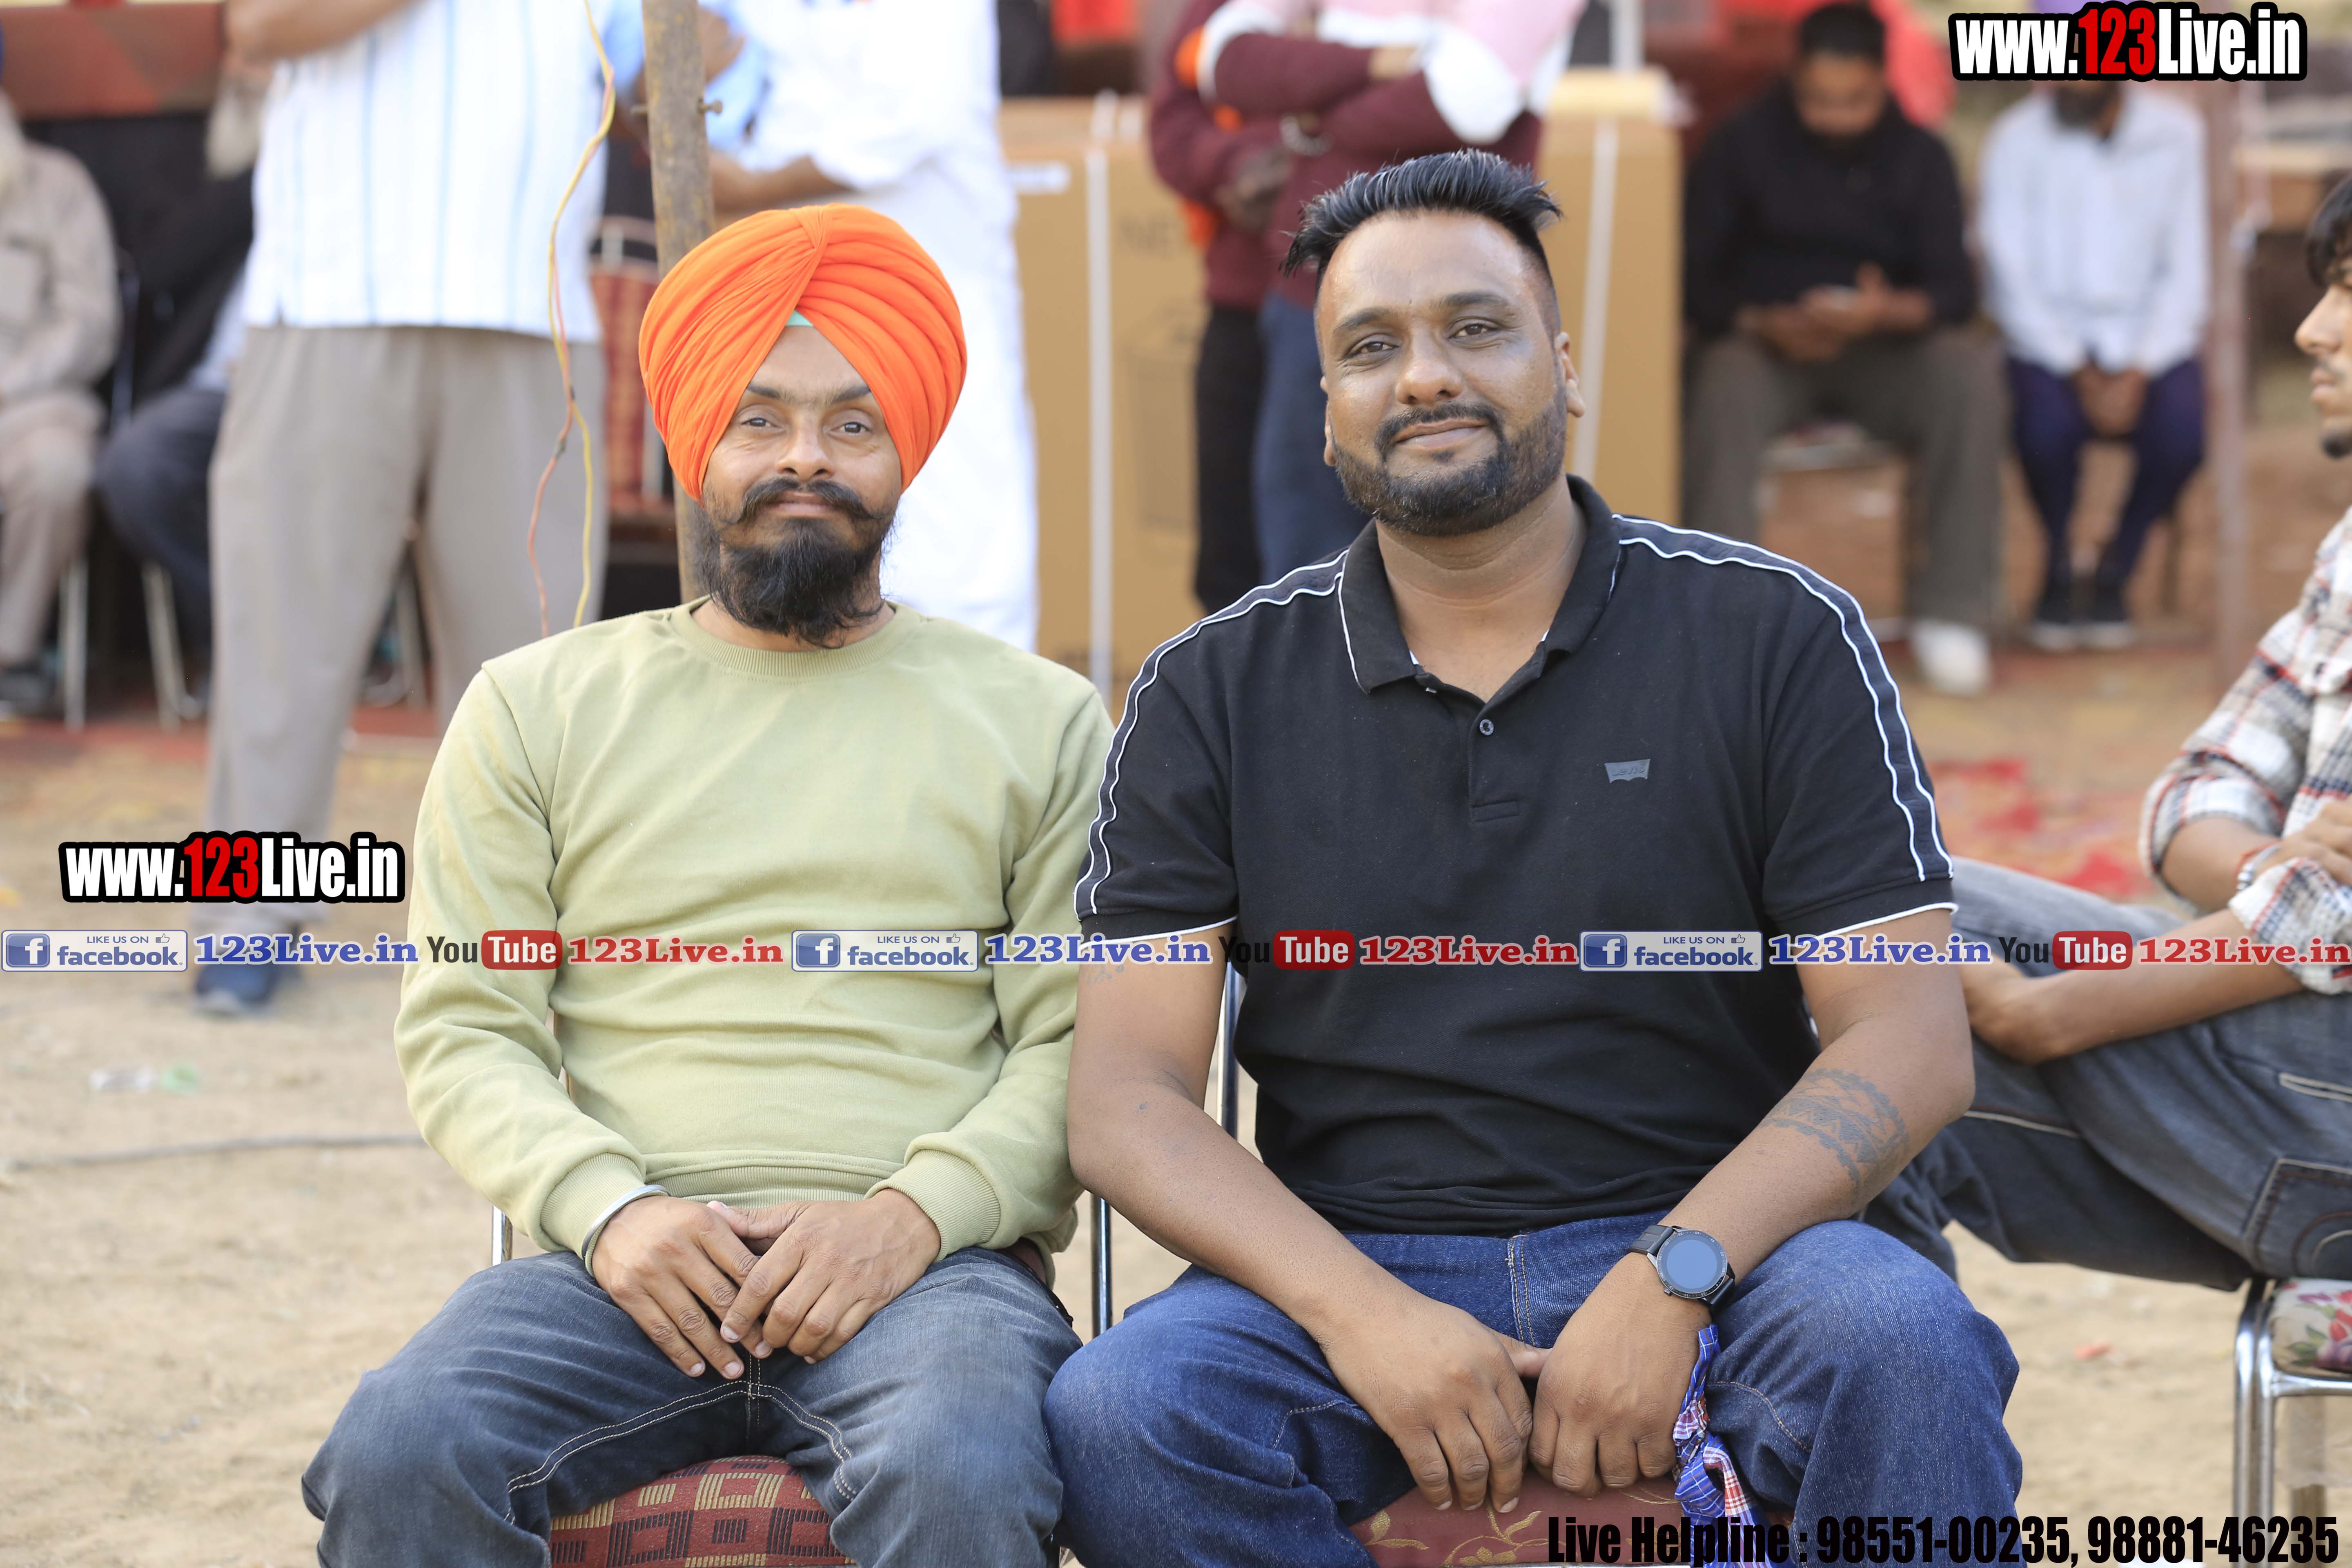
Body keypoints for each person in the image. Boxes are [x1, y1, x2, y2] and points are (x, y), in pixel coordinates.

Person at [1045, 151, 2019, 1564]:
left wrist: (1674, 1278)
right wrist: (1365, 1317)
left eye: (1477, 328)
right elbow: (1126, 1099)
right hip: (1350, 1260)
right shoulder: (1211, 688)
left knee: (1903, 1339)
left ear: (1565, 367)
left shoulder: (1774, 637)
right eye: (1369, 349)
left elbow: (1912, 1042)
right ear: (1327, 414)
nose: (1424, 376)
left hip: (1731, 1247)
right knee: (1125, 1416)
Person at [302, 206, 1111, 1566]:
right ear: (695, 446)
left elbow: (1080, 1050)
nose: (807, 457)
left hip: (929, 1278)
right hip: (621, 1271)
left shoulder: (1040, 720)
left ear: (908, 450)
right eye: (760, 418)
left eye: (853, 422)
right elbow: (466, 1028)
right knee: (399, 1447)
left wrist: (908, 1219)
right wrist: (612, 1211)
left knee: (959, 1466)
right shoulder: (536, 709)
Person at [1866, 175, 2352, 1291]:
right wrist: (2277, 875)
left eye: (2350, 293)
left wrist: (2054, 1013)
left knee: (1889, 959)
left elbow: (2335, 920)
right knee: (1873, 954)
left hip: (2323, 1083)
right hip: (2286, 1045)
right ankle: (1879, 1384)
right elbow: (2197, 791)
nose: (2310, 329)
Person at [194, 0, 641, 1012]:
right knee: (283, 644)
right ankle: (242, 917)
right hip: (330, 295)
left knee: (533, 661)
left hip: (535, 309)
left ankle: (511, 934)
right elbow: (258, 24)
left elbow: (665, 69)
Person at [1190, 0, 1587, 580]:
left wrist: (1312, 115)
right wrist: (1379, 62)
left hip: (1466, 315)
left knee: (1470, 547)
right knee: (1308, 560)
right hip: (1317, 307)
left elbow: (1464, 101)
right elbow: (1225, 62)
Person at [1682, 0, 2005, 697]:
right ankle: (1726, 615)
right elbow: (1694, 283)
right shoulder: (1739, 144)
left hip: (1882, 350)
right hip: (1767, 349)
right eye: (1818, 100)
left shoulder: (1922, 156)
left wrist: (1886, 312)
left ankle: (1954, 612)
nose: (1834, 117)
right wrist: (1761, 322)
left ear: (1881, 82)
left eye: (1852, 101)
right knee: (1721, 380)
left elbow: (1955, 293)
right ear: (1794, 78)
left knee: (1967, 376)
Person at [697, 0, 1042, 651]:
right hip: (795, 291)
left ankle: (981, 703)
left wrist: (752, 185)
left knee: (960, 520)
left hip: (932, 285)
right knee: (807, 500)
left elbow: (914, 116)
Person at [1978, 77, 2208, 653]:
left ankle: (2116, 566)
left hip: (2150, 338)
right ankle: (2058, 563)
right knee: (2043, 432)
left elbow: (2189, 268)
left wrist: (2139, 368)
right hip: (2045, 340)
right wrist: (2076, 367)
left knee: (2183, 435)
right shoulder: (2013, 138)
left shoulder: (2178, 135)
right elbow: (2008, 272)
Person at [91, 53, 267, 664]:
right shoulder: (205, 164)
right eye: (241, 55)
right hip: (213, 389)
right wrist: (263, 171)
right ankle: (247, 633)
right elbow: (156, 266)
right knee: (136, 466)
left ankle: (321, 640)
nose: (251, 71)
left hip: (321, 390)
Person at [1149, 0, 1285, 612]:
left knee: (1335, 545)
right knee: (1229, 558)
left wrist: (1301, 170)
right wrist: (1242, 164)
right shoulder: (1219, 13)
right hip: (1244, 305)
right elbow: (1171, 128)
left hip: (1371, 309)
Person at [0, 84, 118, 719]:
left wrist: (10, 380)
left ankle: (11, 654)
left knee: (57, 470)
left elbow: (90, 322)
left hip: (33, 405)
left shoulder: (57, 185)